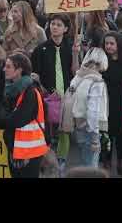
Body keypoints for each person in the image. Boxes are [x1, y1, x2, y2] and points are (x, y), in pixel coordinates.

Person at [31, 13, 79, 174]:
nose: (54, 27)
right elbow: (35, 74)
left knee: (65, 130)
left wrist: (75, 53)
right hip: (48, 96)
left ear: (66, 28)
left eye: (58, 25)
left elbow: (75, 71)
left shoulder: (71, 46)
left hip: (66, 94)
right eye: (52, 24)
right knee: (48, 130)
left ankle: (61, 160)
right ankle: (47, 160)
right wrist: (44, 89)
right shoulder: (41, 48)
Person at [1, 53, 49, 178]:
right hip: (17, 148)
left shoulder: (30, 91)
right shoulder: (11, 90)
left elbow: (17, 119)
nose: (4, 69)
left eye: (8, 66)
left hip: (29, 151)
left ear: (19, 70)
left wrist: (3, 117)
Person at [101, 31, 122, 177]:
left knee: (121, 136)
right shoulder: (100, 62)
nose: (108, 46)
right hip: (105, 103)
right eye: (106, 43)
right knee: (106, 135)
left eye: (111, 43)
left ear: (118, 45)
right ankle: (106, 164)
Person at [70, 47, 109, 168]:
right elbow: (93, 112)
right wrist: (95, 138)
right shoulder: (96, 82)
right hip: (91, 129)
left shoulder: (78, 77)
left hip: (78, 125)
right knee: (91, 168)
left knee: (84, 162)